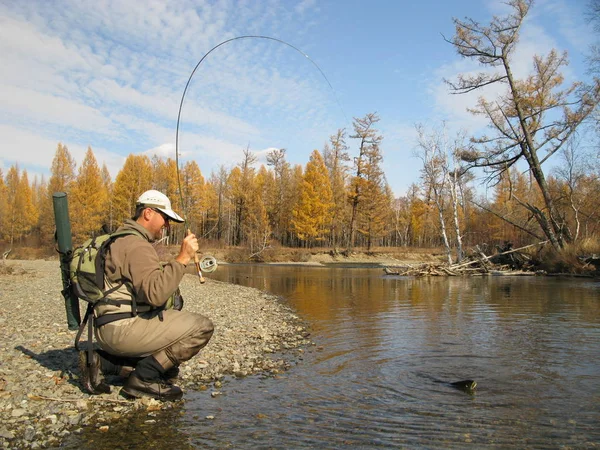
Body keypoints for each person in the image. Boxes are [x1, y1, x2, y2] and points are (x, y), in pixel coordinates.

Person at [78, 189, 214, 401]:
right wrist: (182, 258)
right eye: (165, 218)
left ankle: (105, 362)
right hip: (122, 331)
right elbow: (155, 295)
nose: (166, 225)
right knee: (202, 327)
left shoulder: (121, 239)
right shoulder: (136, 245)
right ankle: (143, 379)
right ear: (148, 213)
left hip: (107, 328)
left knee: (169, 370)